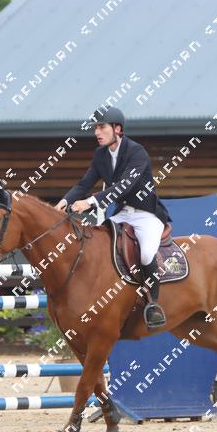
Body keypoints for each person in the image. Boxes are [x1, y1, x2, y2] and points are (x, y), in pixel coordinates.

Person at [56, 106, 171, 329]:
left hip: (146, 215)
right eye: (95, 128)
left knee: (146, 254)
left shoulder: (137, 152)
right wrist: (64, 202)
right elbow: (84, 184)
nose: (96, 132)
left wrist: (90, 202)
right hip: (122, 215)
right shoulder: (101, 155)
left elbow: (124, 186)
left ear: (117, 129)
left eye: (102, 127)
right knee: (97, 245)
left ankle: (153, 304)